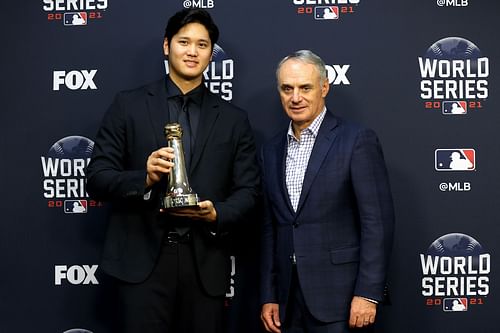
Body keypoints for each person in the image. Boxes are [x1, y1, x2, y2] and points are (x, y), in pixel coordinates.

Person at [86, 8, 260, 333]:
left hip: (205, 266)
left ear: (212, 53)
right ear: (167, 46)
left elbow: (249, 192)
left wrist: (216, 214)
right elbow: (96, 178)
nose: (192, 51)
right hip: (141, 265)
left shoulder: (235, 119)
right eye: (184, 42)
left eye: (202, 44)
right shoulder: (128, 105)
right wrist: (145, 178)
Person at [260, 50, 394, 333]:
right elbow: (271, 227)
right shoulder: (270, 150)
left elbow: (376, 223)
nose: (296, 97)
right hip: (287, 301)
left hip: (341, 300)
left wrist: (368, 293)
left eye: (305, 87)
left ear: (324, 87)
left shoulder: (356, 140)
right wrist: (270, 294)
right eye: (287, 89)